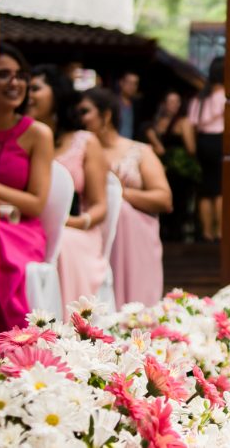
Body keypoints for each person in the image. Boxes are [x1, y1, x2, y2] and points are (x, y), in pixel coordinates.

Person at [79, 88, 171, 307]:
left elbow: (164, 199)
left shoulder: (139, 151)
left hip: (134, 243)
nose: (79, 118)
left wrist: (119, 192)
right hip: (93, 239)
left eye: (85, 111)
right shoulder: (78, 151)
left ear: (106, 115)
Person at [28, 65, 110, 311]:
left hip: (74, 230)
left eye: (35, 88)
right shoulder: (21, 138)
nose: (27, 94)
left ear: (57, 94)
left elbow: (100, 205)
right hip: (29, 223)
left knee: (60, 243)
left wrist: (73, 222)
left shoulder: (84, 141)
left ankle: (65, 328)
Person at [0, 44, 53, 333]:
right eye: (3, 75)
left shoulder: (38, 134)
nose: (15, 83)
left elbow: (36, 203)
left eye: (20, 75)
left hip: (20, 230)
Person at [146, 91, 197, 242]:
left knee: (178, 203)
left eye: (177, 102)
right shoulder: (156, 122)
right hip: (160, 168)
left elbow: (191, 149)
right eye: (171, 101)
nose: (174, 105)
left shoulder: (183, 122)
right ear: (164, 103)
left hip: (178, 171)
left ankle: (176, 234)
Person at [189, 57, 225, 242]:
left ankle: (206, 232)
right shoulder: (225, 96)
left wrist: (193, 147)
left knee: (205, 189)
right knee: (220, 188)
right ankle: (219, 231)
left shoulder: (200, 98)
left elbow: (191, 124)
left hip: (202, 142)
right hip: (220, 141)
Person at [116, 71, 140, 141]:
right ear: (121, 83)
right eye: (129, 83)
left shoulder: (137, 106)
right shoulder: (114, 103)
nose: (132, 86)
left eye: (135, 84)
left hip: (130, 145)